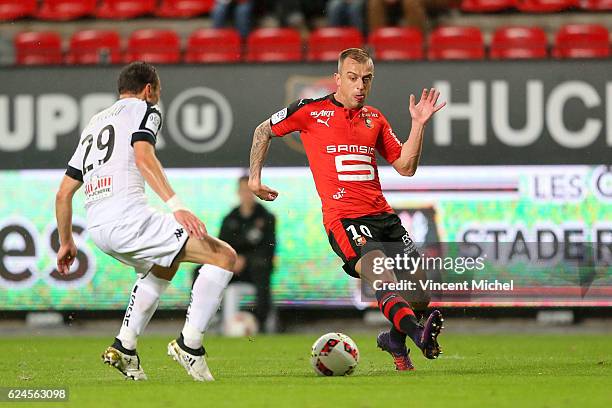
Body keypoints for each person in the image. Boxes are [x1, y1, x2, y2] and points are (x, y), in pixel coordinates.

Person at [248, 48, 446, 371]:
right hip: (345, 221)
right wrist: (254, 179)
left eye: (366, 79)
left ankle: (394, 340)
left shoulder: (375, 118)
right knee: (383, 277)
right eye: (353, 78)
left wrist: (418, 124)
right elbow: (262, 130)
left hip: (385, 218)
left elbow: (406, 167)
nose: (360, 86)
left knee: (421, 294)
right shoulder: (310, 111)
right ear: (338, 79)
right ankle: (418, 335)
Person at [55, 62, 237, 382]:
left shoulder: (94, 125)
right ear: (149, 89)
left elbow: (64, 193)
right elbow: (143, 156)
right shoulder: (145, 109)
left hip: (99, 229)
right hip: (128, 221)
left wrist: (67, 241)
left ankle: (125, 346)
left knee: (166, 263)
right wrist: (177, 206)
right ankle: (189, 345)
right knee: (223, 256)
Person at [218, 175, 276, 331]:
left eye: (249, 191)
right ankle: (210, 316)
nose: (246, 194)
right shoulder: (229, 218)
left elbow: (268, 249)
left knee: (261, 268)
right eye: (243, 190)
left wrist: (246, 260)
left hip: (255, 269)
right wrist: (234, 260)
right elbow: (221, 246)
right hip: (232, 268)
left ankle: (261, 321)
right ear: (238, 192)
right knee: (202, 271)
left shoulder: (267, 217)